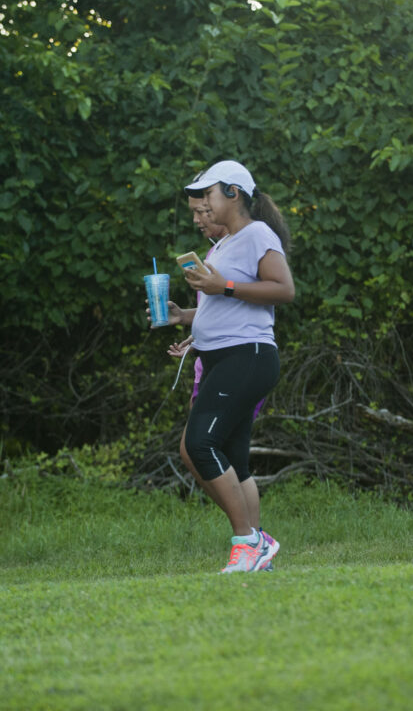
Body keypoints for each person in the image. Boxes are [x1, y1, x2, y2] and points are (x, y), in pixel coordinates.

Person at [153, 160, 294, 573]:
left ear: (234, 193)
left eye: (208, 197)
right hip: (221, 357)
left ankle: (247, 542)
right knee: (231, 456)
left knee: (198, 445)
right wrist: (185, 318)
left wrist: (224, 286)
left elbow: (282, 290)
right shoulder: (223, 245)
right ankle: (259, 543)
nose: (203, 208)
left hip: (247, 357)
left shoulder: (257, 234)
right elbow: (224, 309)